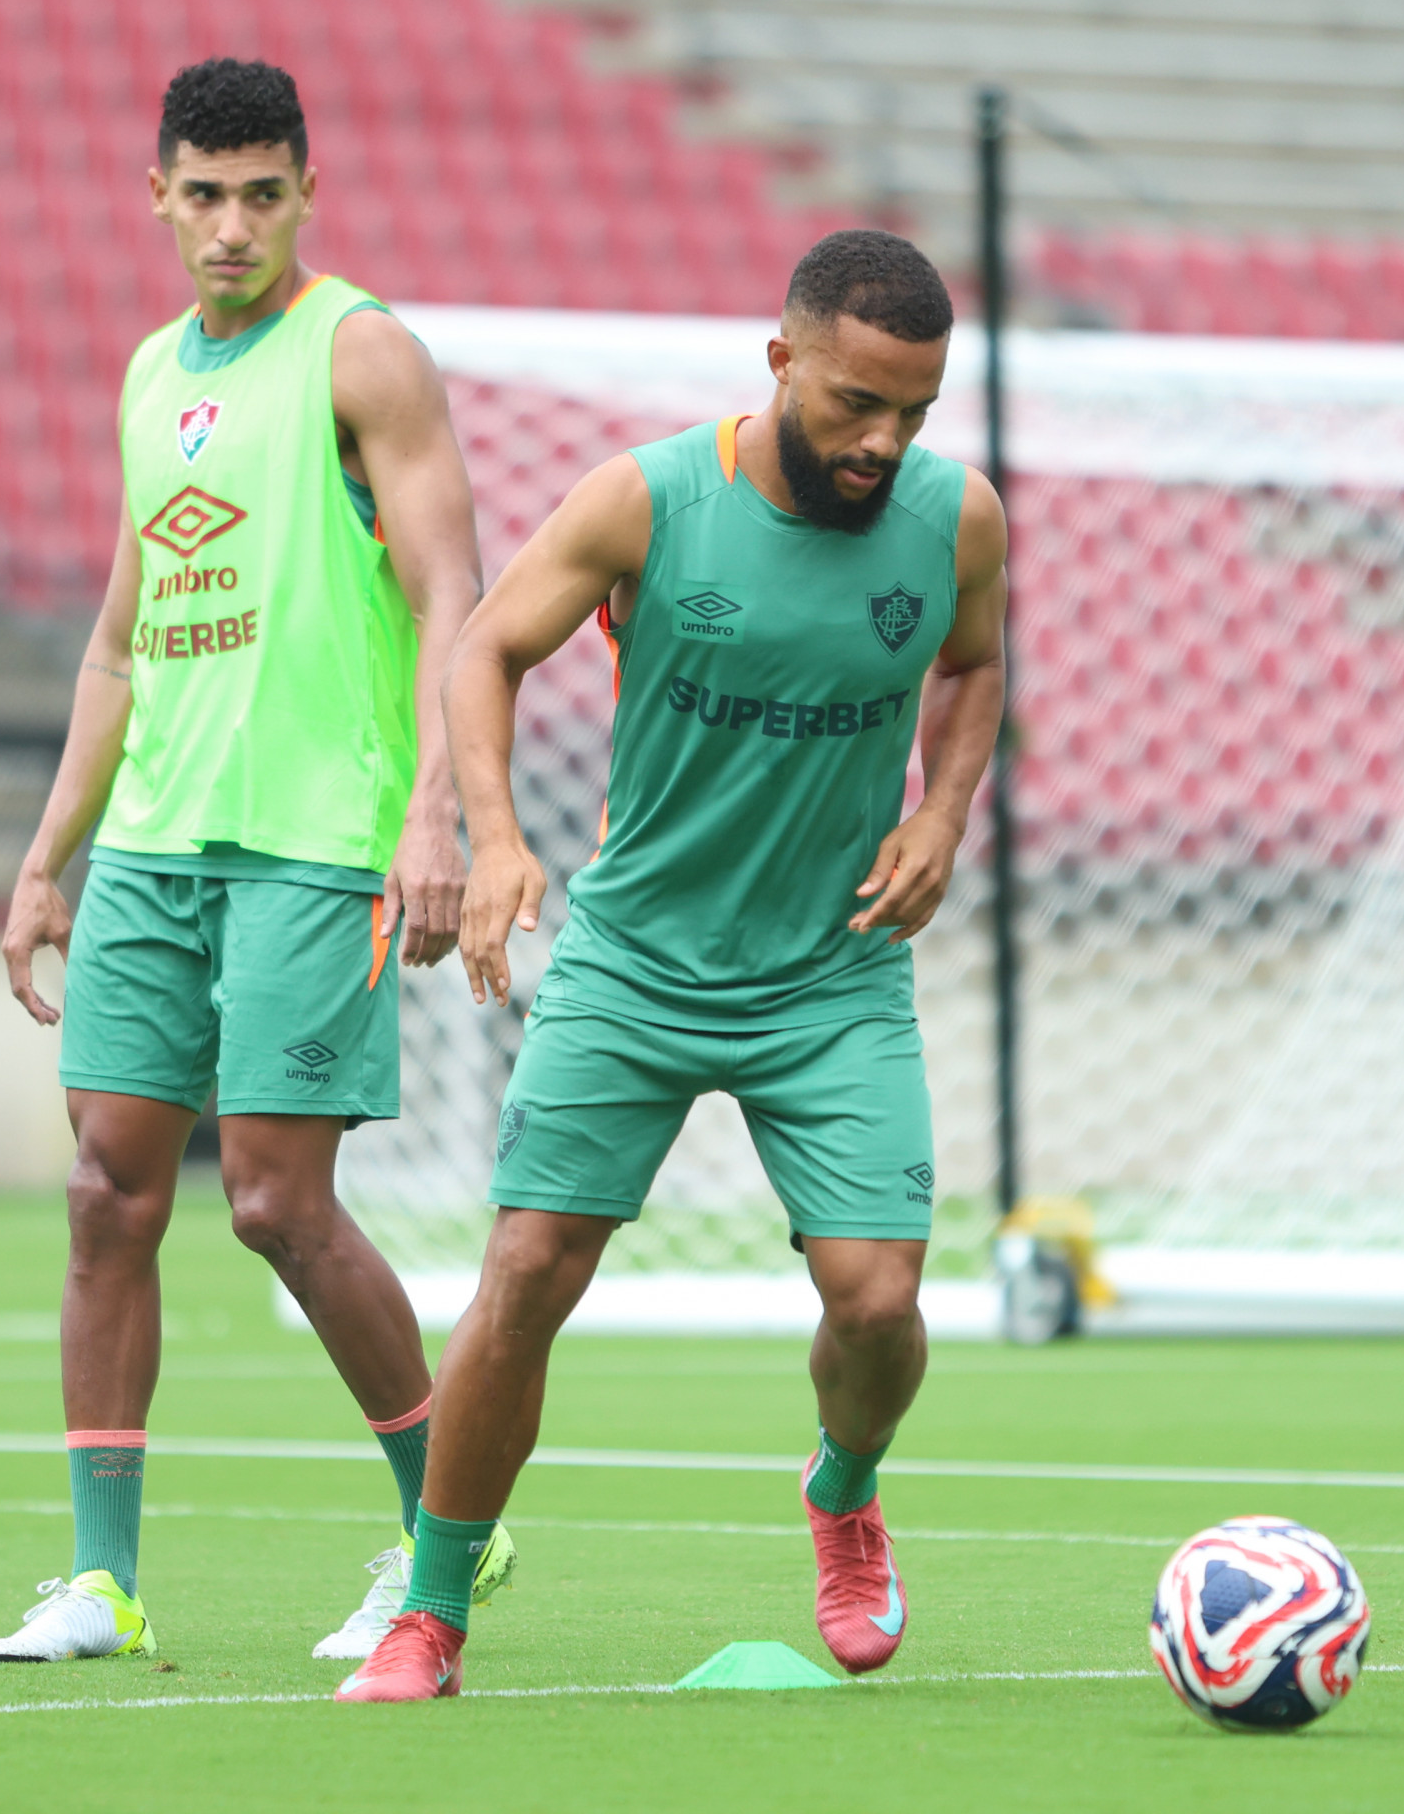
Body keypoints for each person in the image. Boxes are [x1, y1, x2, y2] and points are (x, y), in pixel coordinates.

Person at [338, 229, 1008, 1702]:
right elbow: (484, 653)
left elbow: (972, 663)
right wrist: (499, 837)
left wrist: (944, 811)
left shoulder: (958, 521)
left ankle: (843, 1492)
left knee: (883, 1302)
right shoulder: (649, 499)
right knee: (525, 1273)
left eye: (915, 409)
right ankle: (430, 1615)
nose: (883, 441)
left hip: (831, 975)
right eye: (852, 403)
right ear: (781, 364)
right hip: (636, 962)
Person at [0, 58, 514, 1665]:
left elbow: (453, 599)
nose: (231, 226)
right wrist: (46, 857)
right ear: (159, 195)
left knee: (277, 1206)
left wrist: (441, 812)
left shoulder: (363, 353)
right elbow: (120, 649)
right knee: (101, 1197)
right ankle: (104, 1583)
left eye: (261, 195)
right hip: (152, 845)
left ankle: (446, 1539)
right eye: (203, 195)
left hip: (311, 842)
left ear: (305, 195)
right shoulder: (151, 376)